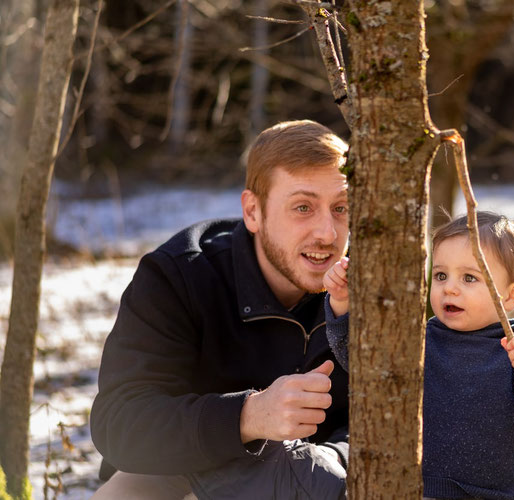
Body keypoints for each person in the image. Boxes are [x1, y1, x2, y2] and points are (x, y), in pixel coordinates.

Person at [90, 120, 351, 499]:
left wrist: (328, 461)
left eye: (341, 207)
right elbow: (120, 422)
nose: (327, 233)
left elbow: (407, 412)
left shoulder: (369, 287)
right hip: (188, 475)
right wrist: (249, 416)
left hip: (321, 479)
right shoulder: (180, 274)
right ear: (253, 212)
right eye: (303, 207)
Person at [323, 211, 514, 500]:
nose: (449, 288)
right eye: (441, 275)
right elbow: (362, 363)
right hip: (425, 490)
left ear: (512, 295)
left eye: (469, 278)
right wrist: (342, 303)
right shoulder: (422, 340)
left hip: (503, 494)